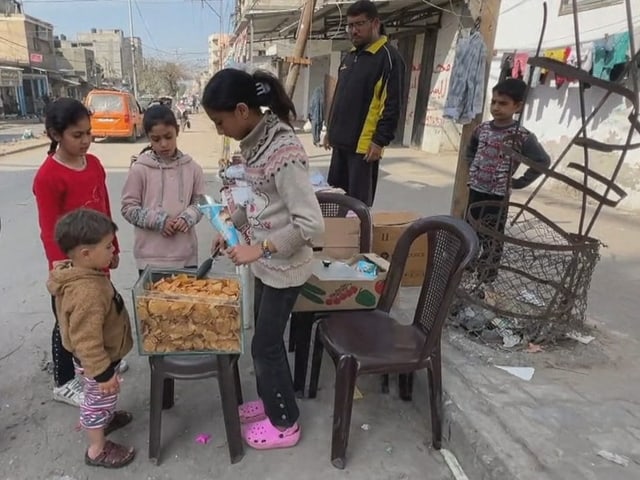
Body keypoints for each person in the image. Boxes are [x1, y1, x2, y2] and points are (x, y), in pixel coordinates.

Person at [202, 68, 324, 450]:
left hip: (286, 265)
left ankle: (285, 422)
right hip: (266, 264)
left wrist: (261, 248)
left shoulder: (282, 151)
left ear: (242, 110)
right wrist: (232, 228)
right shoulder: (255, 142)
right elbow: (262, 202)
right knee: (261, 339)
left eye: (220, 122)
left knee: (266, 346)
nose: (219, 130)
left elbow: (310, 223)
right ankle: (272, 400)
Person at [33, 97, 126, 408]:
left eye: (89, 133)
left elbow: (104, 207)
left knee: (99, 313)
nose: (86, 140)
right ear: (56, 135)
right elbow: (49, 229)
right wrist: (62, 271)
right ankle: (63, 381)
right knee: (69, 322)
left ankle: (97, 364)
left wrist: (113, 246)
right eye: (77, 135)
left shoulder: (95, 164)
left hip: (98, 256)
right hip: (72, 267)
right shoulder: (48, 176)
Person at [47, 209, 135, 468]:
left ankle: (105, 418)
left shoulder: (82, 270)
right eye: (108, 247)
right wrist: (103, 373)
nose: (113, 251)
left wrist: (108, 258)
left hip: (103, 357)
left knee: (102, 399)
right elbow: (87, 340)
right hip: (98, 361)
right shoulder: (87, 292)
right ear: (86, 254)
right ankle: (97, 449)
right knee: (97, 401)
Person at [465, 78, 551, 283]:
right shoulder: (482, 129)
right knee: (470, 229)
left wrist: (520, 182)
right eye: (493, 102)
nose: (496, 107)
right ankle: (467, 267)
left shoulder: (521, 136)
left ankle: (487, 277)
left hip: (497, 197)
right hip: (476, 190)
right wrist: (473, 167)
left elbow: (542, 161)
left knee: (493, 238)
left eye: (503, 103)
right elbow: (470, 149)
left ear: (518, 106)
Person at [324, 0, 405, 206]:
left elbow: (392, 105)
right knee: (334, 199)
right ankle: (337, 237)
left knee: (357, 207)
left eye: (359, 24)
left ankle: (357, 237)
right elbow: (339, 97)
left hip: (364, 148)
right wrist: (330, 131)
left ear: (375, 23)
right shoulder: (350, 58)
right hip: (339, 144)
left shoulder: (388, 58)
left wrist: (379, 141)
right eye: (350, 26)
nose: (353, 30)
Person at [121, 104, 205, 275]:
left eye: (168, 137)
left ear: (177, 131)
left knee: (185, 302)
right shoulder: (140, 169)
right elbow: (128, 208)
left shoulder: (193, 168)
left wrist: (188, 217)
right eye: (156, 139)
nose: (164, 144)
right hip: (150, 260)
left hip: (185, 257)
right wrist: (158, 221)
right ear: (148, 138)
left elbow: (201, 202)